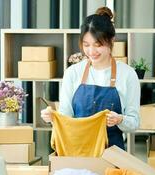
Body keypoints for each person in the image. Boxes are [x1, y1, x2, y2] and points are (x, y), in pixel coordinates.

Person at [41, 7, 140, 150]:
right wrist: (53, 118)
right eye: (86, 45)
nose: (91, 51)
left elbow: (134, 122)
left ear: (112, 41)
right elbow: (65, 116)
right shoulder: (73, 73)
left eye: (97, 45)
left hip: (112, 154)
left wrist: (120, 119)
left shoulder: (127, 75)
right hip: (76, 150)